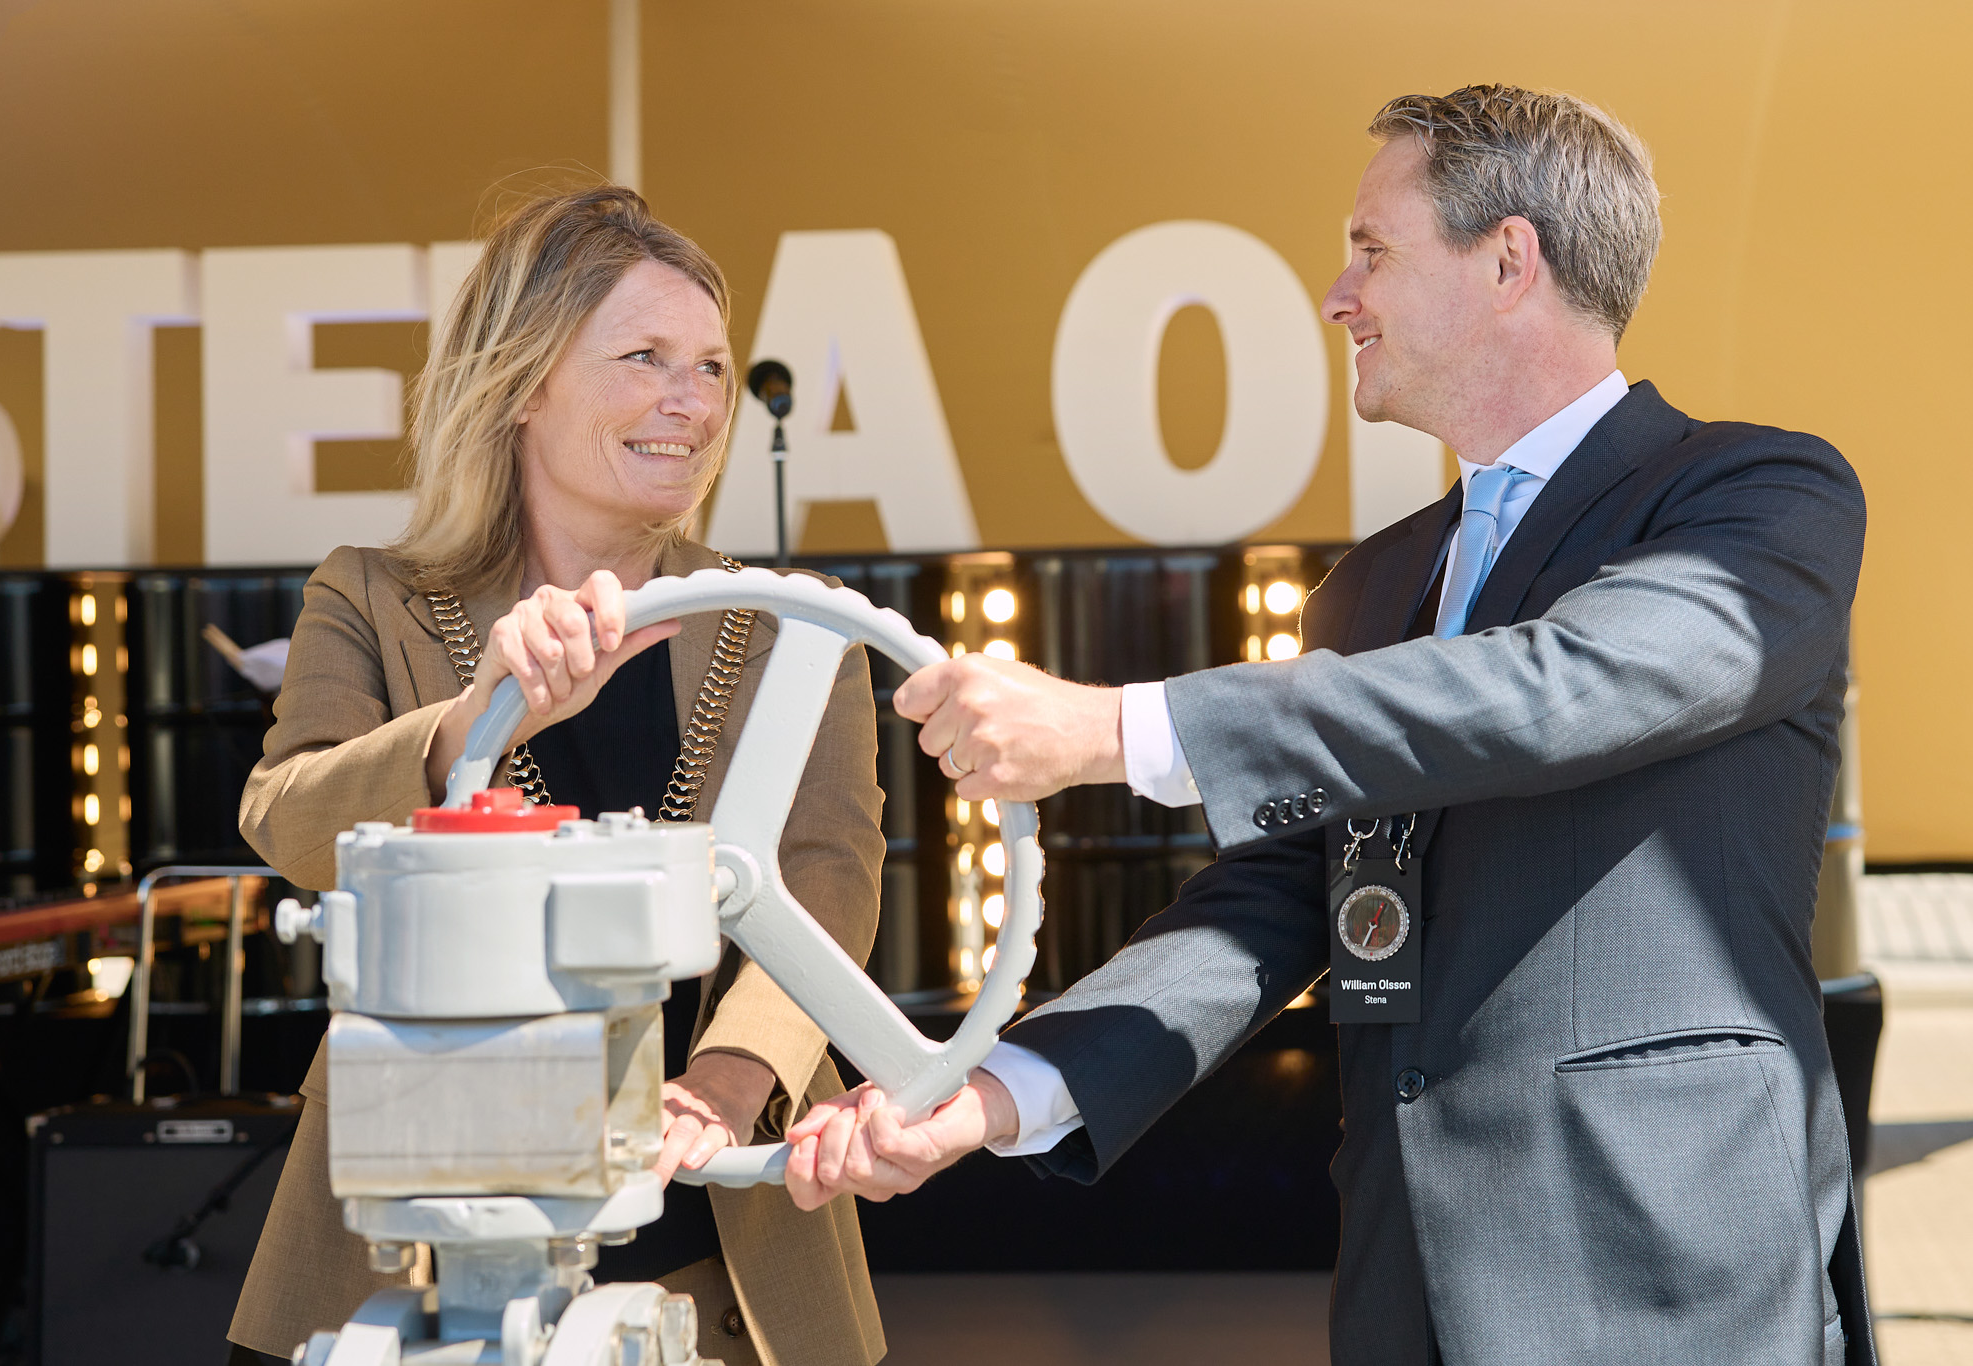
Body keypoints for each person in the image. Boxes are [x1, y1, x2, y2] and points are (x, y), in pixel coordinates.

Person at [786, 86, 1874, 1366]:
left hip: (1672, 1274)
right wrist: (994, 1096)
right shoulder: (1365, 586)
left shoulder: (1758, 495)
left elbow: (1557, 685)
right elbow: (1278, 899)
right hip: (1408, 1286)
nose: (1334, 295)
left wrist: (1123, 728)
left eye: (1371, 250)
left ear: (1508, 261)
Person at [228, 186, 887, 1366]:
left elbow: (827, 885)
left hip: (713, 1235)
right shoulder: (372, 597)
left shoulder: (794, 629)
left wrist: (727, 1084)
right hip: (414, 1236)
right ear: (525, 382)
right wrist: (468, 719)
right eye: (645, 359)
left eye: (710, 367)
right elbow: (287, 818)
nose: (689, 403)